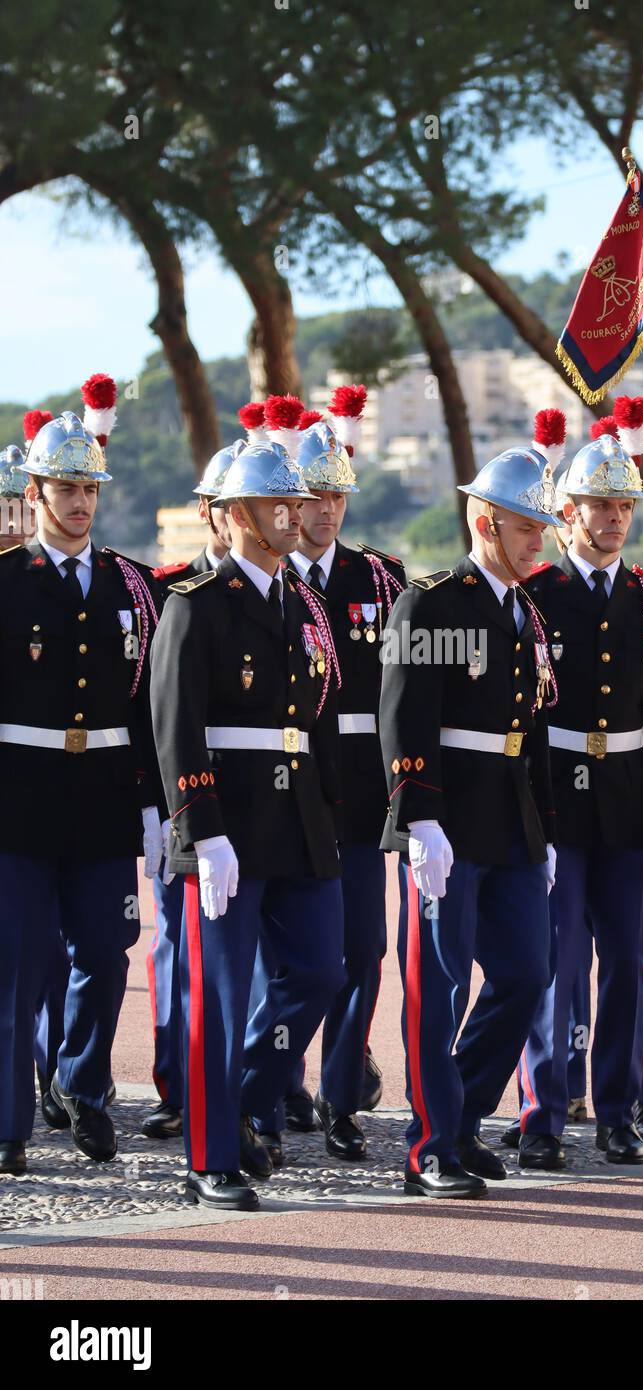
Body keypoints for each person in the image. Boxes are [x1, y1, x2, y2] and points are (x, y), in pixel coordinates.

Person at [149, 438, 345, 1210]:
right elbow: (176, 723)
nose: (293, 516)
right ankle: (212, 1156)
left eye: (294, 502)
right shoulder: (196, 604)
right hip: (227, 818)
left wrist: (331, 813)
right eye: (275, 504)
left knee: (323, 971)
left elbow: (318, 718)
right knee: (222, 995)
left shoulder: (304, 604)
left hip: (297, 819)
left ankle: (245, 1093)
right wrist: (201, 826)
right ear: (233, 518)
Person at [514, 426, 643, 1168]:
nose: (614, 518)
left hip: (628, 800)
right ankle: (543, 1111)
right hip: (555, 796)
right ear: (565, 511)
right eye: (598, 503)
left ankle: (621, 1109)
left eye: (623, 505)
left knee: (629, 957)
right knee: (555, 961)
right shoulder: (534, 596)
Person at [379, 445, 560, 1198]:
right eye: (525, 527)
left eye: (542, 528)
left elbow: (537, 729)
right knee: (440, 981)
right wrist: (419, 818)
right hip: (446, 818)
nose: (538, 541)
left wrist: (542, 831)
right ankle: (429, 1145)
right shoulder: (433, 601)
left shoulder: (526, 610)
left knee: (526, 974)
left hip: (511, 823)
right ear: (485, 522)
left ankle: (460, 1117)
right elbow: (404, 718)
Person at [0, 383, 163, 1175]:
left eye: (90, 488)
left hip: (101, 798)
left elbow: (151, 710)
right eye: (65, 488)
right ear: (33, 496)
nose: (80, 502)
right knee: (20, 964)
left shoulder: (134, 586)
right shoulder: (5, 583)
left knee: (106, 954)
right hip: (19, 798)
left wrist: (157, 807)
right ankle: (9, 1122)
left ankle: (85, 1091)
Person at [281, 404, 405, 1157]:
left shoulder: (381, 579)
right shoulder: (265, 582)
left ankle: (341, 1094)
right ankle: (279, 1078)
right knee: (294, 959)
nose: (326, 512)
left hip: (360, 798)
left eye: (337, 498)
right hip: (288, 792)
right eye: (312, 498)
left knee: (364, 952)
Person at [142, 440, 242, 1140]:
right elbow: (157, 711)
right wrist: (158, 807)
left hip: (265, 807)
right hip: (187, 804)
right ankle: (179, 1086)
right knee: (181, 953)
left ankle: (258, 1090)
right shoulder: (170, 590)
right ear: (210, 513)